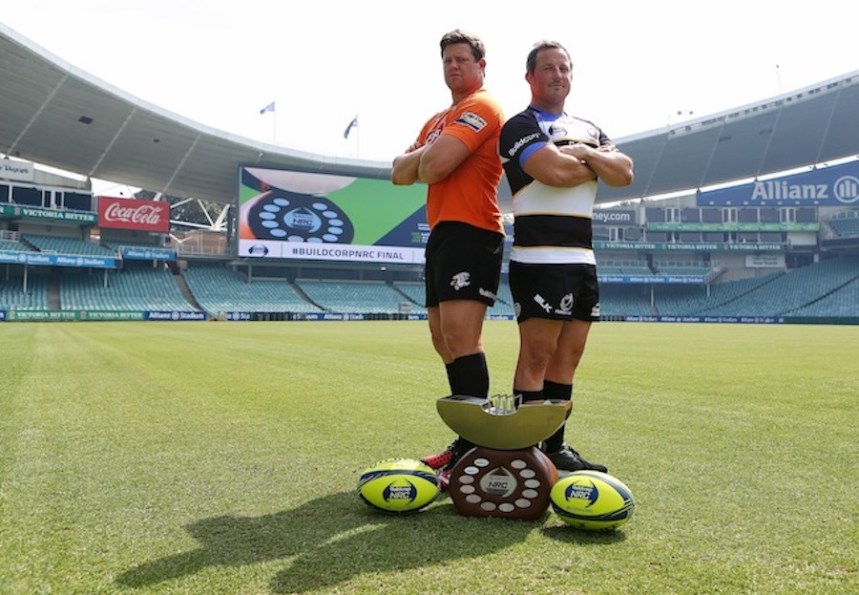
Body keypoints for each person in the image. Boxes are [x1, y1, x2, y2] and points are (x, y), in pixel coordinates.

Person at [498, 40, 634, 475]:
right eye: (549, 68)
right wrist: (595, 166)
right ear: (530, 77)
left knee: (568, 358)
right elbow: (553, 171)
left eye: (564, 68)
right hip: (539, 258)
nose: (558, 75)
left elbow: (625, 174)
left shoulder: (589, 129)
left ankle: (554, 448)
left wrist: (586, 154)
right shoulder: (519, 125)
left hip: (582, 260)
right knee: (536, 356)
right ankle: (525, 451)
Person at [391, 29, 505, 486]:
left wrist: (425, 158)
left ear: (480, 65)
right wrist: (429, 154)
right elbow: (399, 174)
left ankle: (477, 447)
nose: (453, 66)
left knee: (461, 335)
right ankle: (466, 441)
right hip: (442, 232)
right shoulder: (438, 120)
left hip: (474, 229)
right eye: (447, 60)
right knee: (442, 339)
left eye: (461, 59)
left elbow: (433, 167)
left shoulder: (484, 106)